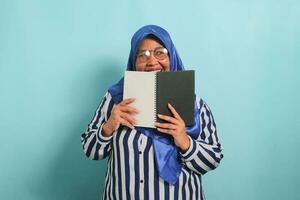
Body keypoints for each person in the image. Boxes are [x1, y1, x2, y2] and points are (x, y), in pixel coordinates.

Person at [81, 25, 223, 200]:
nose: (151, 61)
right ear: (134, 61)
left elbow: (213, 160)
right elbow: (90, 151)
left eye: (160, 52)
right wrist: (108, 127)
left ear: (171, 55)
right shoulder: (115, 99)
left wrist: (185, 141)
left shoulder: (196, 105)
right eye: (142, 55)